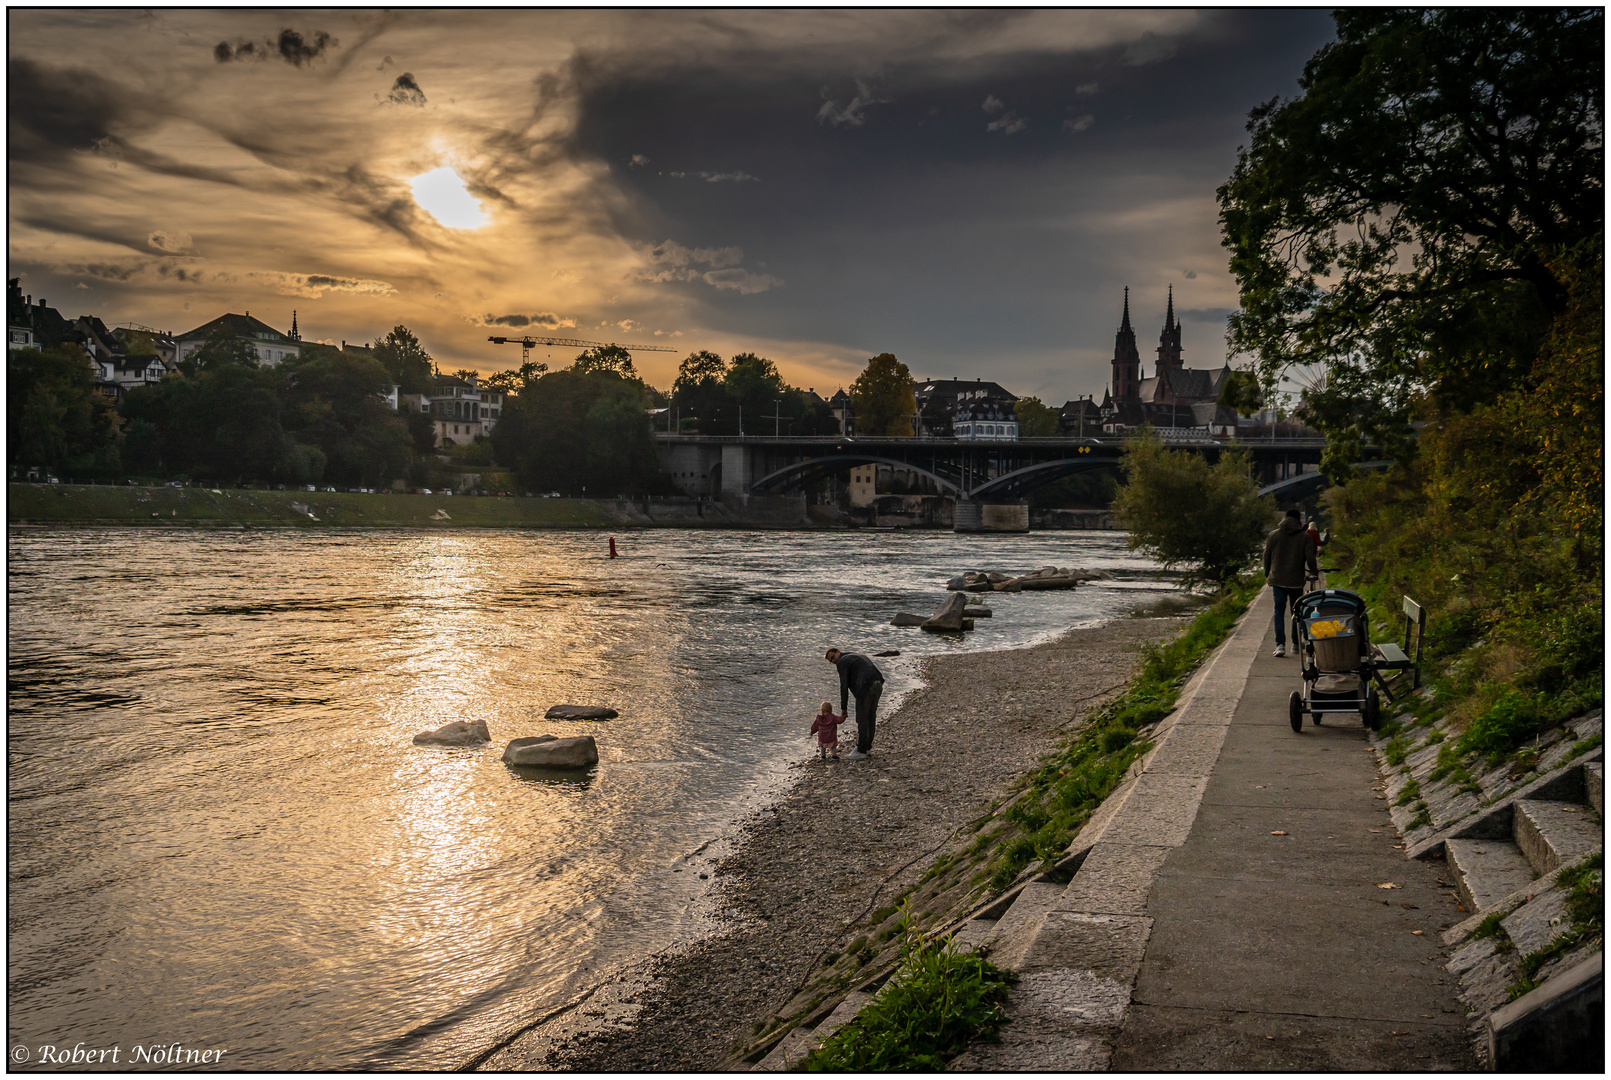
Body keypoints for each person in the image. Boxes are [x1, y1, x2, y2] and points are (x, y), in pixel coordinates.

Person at [1264, 507, 1318, 658]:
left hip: (1278, 580)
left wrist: (1267, 573)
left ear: (1284, 519)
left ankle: (1280, 645)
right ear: (1299, 521)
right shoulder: (1304, 537)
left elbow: (1266, 557)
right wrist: (1314, 572)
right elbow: (1310, 558)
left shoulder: (1273, 535)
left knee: (1278, 612)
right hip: (1296, 581)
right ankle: (1295, 644)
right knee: (1296, 613)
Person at [825, 648, 884, 759]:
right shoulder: (855, 655)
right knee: (871, 718)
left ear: (838, 652)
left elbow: (844, 686)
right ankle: (867, 748)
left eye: (832, 657)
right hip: (878, 683)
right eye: (830, 661)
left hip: (865, 687)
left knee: (862, 719)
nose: (833, 661)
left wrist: (844, 709)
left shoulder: (842, 662)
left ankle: (861, 751)